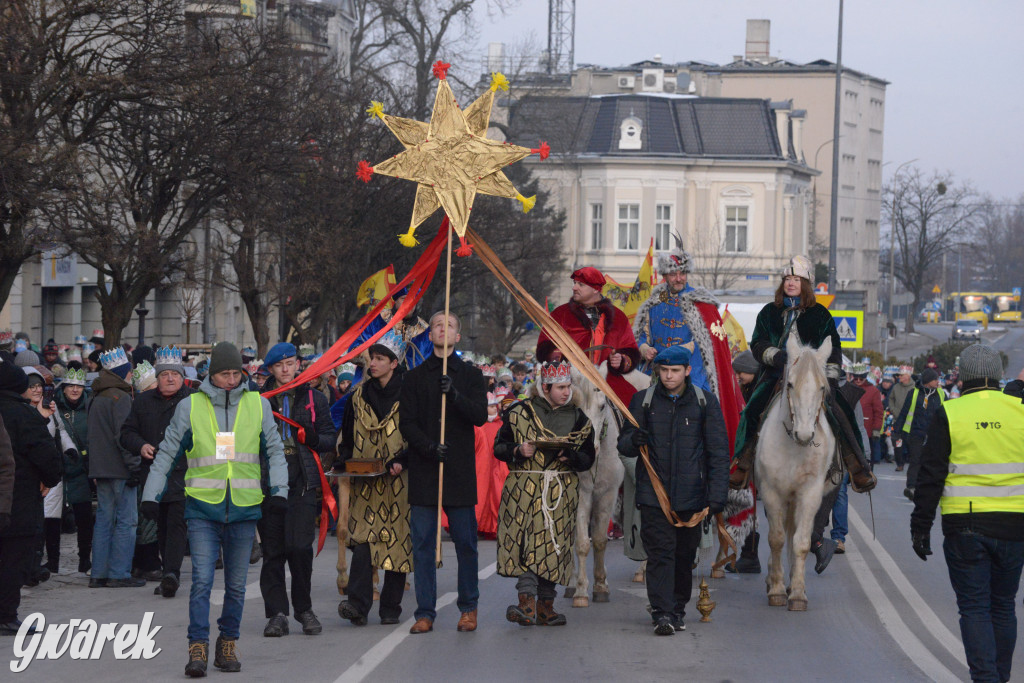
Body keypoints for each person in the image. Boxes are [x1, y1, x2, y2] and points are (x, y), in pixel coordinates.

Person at [142, 342, 289, 676]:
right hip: (202, 509)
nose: (231, 379)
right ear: (212, 373)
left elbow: (276, 451)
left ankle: (227, 644)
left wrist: (279, 490)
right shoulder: (190, 406)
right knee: (202, 584)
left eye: (237, 373)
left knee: (236, 586)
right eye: (225, 373)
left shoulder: (257, 404)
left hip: (244, 509)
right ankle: (197, 648)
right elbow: (166, 453)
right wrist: (151, 495)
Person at [633, 242, 750, 569]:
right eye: (673, 272)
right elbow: (640, 334)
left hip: (694, 378)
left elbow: (709, 341)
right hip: (657, 378)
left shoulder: (702, 303)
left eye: (683, 271)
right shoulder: (652, 301)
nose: (678, 277)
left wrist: (680, 352)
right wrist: (644, 348)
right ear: (665, 274)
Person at [910, 344, 1023, 683]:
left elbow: (931, 475)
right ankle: (1000, 677)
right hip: (1016, 524)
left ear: (962, 378)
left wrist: (920, 526)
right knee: (1004, 606)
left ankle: (986, 678)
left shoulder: (951, 412)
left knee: (974, 608)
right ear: (998, 375)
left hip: (965, 526)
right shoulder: (1020, 410)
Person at [730, 255, 876, 495]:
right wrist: (776, 356)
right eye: (787, 278)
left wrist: (828, 379)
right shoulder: (769, 312)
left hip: (814, 378)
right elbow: (757, 343)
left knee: (842, 410)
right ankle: (742, 463)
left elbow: (835, 348)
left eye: (796, 279)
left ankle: (857, 466)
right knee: (753, 408)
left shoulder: (820, 314)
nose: (790, 283)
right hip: (777, 375)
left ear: (805, 283)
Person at [618, 345, 729, 635]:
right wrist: (634, 439)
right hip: (654, 495)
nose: (668, 376)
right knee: (660, 555)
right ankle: (662, 613)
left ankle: (678, 608)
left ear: (687, 371)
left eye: (675, 371)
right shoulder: (642, 401)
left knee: (683, 557)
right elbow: (623, 443)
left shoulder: (705, 402)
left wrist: (718, 494)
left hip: (692, 496)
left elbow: (718, 451)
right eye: (664, 371)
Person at [399, 312, 487, 634]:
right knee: (422, 543)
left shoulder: (471, 375)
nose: (442, 329)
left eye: (449, 325)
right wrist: (426, 447)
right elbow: (406, 422)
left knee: (465, 543)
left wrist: (455, 395)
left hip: (459, 471)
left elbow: (479, 416)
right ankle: (425, 612)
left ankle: (468, 608)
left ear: (457, 337)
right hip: (425, 469)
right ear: (430, 334)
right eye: (437, 325)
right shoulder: (415, 377)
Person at [494, 360, 595, 627]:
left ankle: (545, 607)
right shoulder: (518, 413)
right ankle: (526, 603)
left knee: (554, 545)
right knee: (526, 543)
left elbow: (588, 458)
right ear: (545, 387)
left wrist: (572, 457)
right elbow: (499, 447)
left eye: (568, 386)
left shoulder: (579, 418)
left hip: (559, 491)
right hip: (523, 490)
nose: (567, 391)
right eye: (561, 387)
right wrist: (517, 451)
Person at [259, 342, 336, 637]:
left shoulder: (314, 399)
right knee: (273, 550)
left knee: (300, 548)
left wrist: (313, 438)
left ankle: (303, 608)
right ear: (270, 370)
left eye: (290, 364)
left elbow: (330, 438)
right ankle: (277, 614)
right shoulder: (258, 399)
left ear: (299, 365)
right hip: (267, 482)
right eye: (279, 366)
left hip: (302, 479)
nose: (285, 370)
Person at [336, 330, 412, 626]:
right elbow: (348, 435)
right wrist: (344, 461)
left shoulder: (409, 393)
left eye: (380, 359)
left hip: (398, 479)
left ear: (394, 363)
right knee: (363, 539)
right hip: (366, 479)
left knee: (396, 539)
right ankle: (357, 604)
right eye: (372, 358)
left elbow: (416, 433)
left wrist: (402, 460)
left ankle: (391, 607)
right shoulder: (358, 396)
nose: (373, 364)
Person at [120, 346, 193, 597]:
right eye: (164, 374)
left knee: (177, 523)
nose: (170, 378)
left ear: (182, 377)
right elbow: (126, 433)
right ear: (157, 378)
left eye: (174, 374)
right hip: (153, 475)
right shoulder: (142, 402)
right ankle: (167, 573)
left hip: (185, 473)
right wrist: (140, 445)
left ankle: (171, 572)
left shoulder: (194, 401)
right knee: (160, 524)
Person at [0, 356, 61, 635]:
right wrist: (49, 479)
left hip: (14, 494)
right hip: (19, 498)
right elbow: (46, 455)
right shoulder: (24, 415)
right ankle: (6, 615)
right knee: (14, 559)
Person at [536, 266, 641, 406]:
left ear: (596, 289)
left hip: (607, 381)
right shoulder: (560, 315)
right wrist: (561, 354)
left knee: (634, 406)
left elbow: (631, 351)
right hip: (570, 381)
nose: (574, 288)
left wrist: (621, 360)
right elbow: (543, 348)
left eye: (580, 284)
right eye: (574, 283)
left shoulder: (619, 317)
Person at [88, 347, 145, 588]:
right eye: (129, 371)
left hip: (100, 469)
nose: (132, 374)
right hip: (120, 469)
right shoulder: (120, 398)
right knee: (126, 521)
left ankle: (98, 573)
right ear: (122, 373)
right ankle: (118, 573)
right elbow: (123, 437)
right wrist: (134, 467)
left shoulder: (97, 396)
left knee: (103, 520)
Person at [54, 366, 94, 574]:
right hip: (59, 472)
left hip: (82, 472)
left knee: (84, 519)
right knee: (52, 520)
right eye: (71, 386)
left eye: (79, 386)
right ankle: (51, 561)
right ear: (64, 388)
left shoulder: (90, 408)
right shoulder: (55, 409)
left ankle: (84, 558)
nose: (75, 390)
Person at [894, 367, 947, 500]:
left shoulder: (941, 394)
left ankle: (930, 487)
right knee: (916, 460)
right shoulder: (914, 393)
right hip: (916, 434)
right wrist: (897, 431)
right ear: (928, 381)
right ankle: (911, 487)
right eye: (935, 379)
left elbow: (947, 414)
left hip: (935, 435)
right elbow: (904, 412)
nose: (937, 382)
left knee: (933, 462)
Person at [473, 392, 507, 539]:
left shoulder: (501, 425)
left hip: (497, 467)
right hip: (481, 467)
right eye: (490, 406)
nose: (494, 409)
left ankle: (493, 526)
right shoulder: (478, 426)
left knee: (496, 496)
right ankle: (479, 525)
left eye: (495, 406)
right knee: (481, 497)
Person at [850, 364, 884, 465]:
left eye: (861, 378)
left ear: (866, 377)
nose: (858, 381)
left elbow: (878, 412)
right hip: (850, 430)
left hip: (867, 431)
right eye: (856, 378)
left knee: (867, 461)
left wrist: (876, 429)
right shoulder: (848, 388)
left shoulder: (873, 391)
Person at [887, 365, 916, 472]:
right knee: (897, 443)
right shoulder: (896, 387)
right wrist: (894, 411)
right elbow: (891, 400)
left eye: (901, 375)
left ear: (908, 376)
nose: (899, 377)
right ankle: (900, 464)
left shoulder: (915, 387)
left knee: (910, 444)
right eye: (898, 375)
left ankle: (912, 464)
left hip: (910, 421)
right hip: (897, 420)